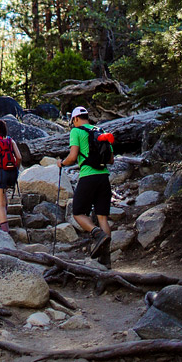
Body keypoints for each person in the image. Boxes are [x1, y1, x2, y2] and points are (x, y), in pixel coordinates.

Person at [57, 105, 113, 259]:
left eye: (72, 120)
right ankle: (106, 260)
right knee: (102, 217)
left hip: (88, 177)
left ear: (75, 119)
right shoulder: (101, 131)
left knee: (78, 213)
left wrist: (62, 163)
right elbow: (111, 159)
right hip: (104, 177)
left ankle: (97, 234)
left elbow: (73, 156)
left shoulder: (76, 131)